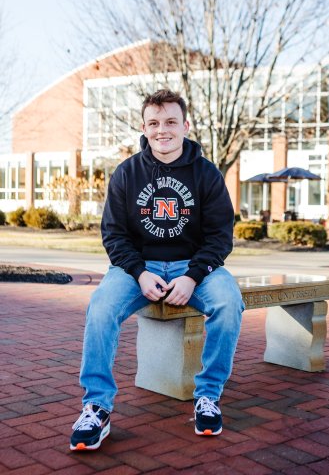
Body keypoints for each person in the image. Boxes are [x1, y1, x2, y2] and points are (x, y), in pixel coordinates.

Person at [70, 89, 245, 451]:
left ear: (185, 125)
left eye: (170, 122)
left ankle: (208, 396)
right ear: (144, 127)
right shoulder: (127, 172)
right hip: (139, 266)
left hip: (193, 265)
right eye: (154, 123)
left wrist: (192, 275)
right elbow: (114, 235)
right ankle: (96, 406)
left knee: (229, 302)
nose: (162, 130)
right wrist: (138, 272)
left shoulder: (207, 174)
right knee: (100, 307)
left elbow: (220, 237)